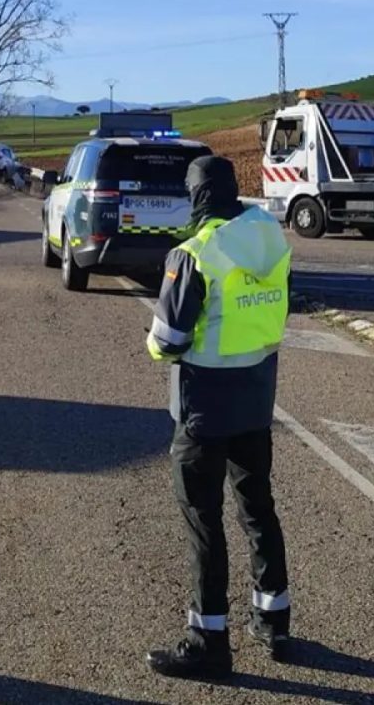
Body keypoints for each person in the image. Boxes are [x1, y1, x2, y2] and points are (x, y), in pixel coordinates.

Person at [145, 156, 293, 680]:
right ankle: (273, 621)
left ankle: (208, 640)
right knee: (258, 508)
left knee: (204, 522)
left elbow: (167, 343)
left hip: (204, 410)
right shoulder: (269, 238)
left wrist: (158, 338)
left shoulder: (194, 255)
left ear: (197, 197)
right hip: (256, 401)